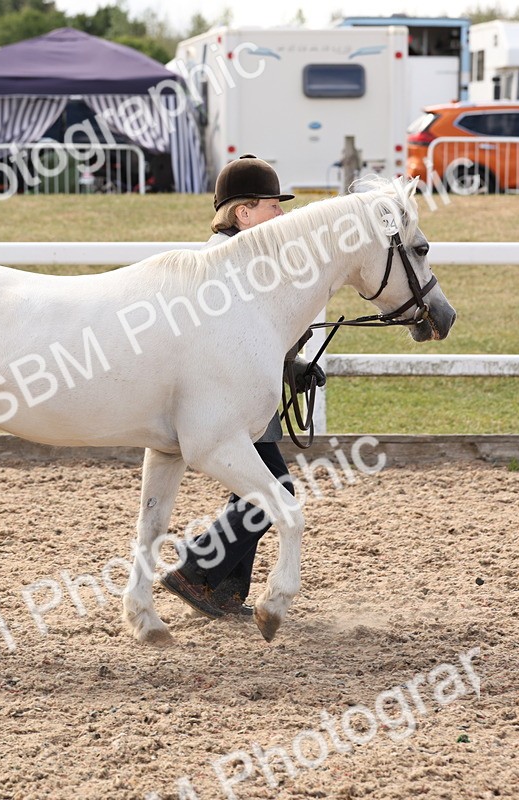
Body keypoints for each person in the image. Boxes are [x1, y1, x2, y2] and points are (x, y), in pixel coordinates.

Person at [160, 154, 326, 619]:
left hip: (244, 396)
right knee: (276, 488)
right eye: (273, 206)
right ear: (243, 213)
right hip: (226, 399)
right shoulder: (219, 267)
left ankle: (225, 587)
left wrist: (291, 370)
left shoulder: (250, 263)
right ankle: (197, 567)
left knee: (256, 487)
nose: (282, 216)